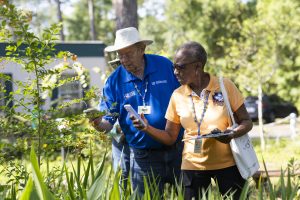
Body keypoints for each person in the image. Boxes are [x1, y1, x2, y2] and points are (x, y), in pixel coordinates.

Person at [131, 41, 253, 200]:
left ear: (197, 67)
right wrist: (147, 128)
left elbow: (246, 121)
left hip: (229, 165)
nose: (175, 72)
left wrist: (232, 133)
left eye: (180, 67)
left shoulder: (224, 86)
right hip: (192, 166)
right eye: (174, 67)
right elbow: (170, 137)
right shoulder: (177, 95)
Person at [91, 27, 183, 196]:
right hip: (143, 158)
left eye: (128, 54)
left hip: (179, 151)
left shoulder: (163, 65)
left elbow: (186, 96)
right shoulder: (114, 81)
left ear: (141, 49)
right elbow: (107, 123)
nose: (123, 59)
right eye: (120, 54)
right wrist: (98, 123)